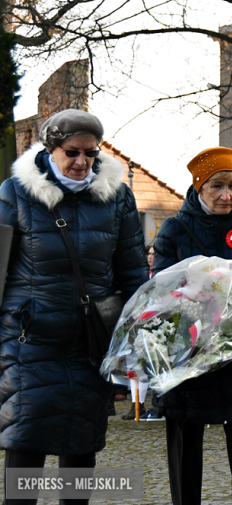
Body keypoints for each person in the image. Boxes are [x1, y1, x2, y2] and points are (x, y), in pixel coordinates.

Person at [0, 109, 148, 503]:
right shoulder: (15, 192)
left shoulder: (117, 197)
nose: (82, 161)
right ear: (51, 149)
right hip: (29, 338)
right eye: (72, 152)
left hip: (91, 339)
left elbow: (131, 269)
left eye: (91, 153)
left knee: (81, 444)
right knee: (26, 439)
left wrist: (140, 329)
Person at [152, 147, 232, 505]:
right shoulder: (174, 230)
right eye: (217, 186)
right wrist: (201, 303)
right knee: (185, 441)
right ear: (199, 187)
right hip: (188, 354)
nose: (226, 195)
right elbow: (161, 294)